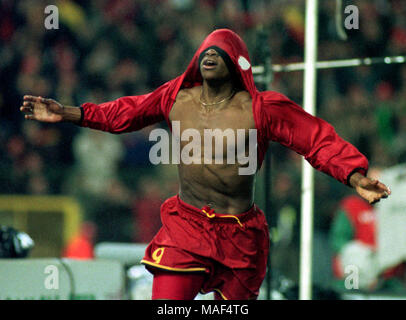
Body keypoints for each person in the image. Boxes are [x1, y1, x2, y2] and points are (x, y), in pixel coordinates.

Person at [20, 29, 391, 300]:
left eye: (220, 51)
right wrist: (69, 113)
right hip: (187, 228)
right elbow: (125, 111)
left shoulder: (261, 107)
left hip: (242, 237)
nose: (210, 55)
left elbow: (316, 138)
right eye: (205, 51)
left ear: (238, 64)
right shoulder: (176, 97)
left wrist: (354, 174)